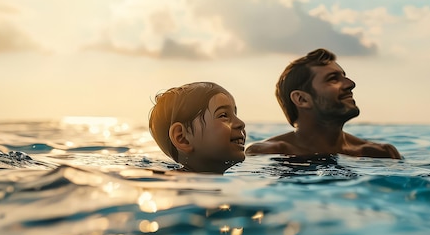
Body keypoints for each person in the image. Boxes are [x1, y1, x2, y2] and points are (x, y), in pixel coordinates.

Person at [245, 48, 401, 159]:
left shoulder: (381, 153)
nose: (350, 84)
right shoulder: (267, 153)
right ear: (302, 99)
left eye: (344, 77)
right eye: (333, 79)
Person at [149, 82, 247, 174]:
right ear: (182, 138)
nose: (241, 123)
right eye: (223, 115)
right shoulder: (174, 182)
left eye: (235, 114)